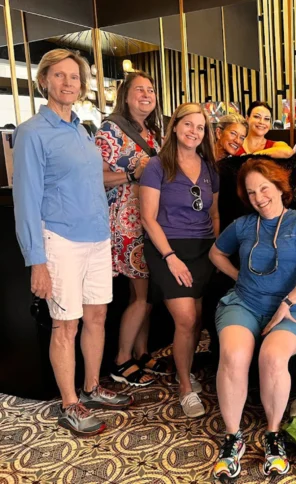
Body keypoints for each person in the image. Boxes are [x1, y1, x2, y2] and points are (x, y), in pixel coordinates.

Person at [12, 49, 132, 437]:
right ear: (44, 80)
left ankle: (92, 386)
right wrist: (37, 260)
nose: (68, 83)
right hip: (59, 238)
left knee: (97, 317)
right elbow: (25, 199)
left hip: (97, 238)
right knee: (66, 325)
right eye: (60, 76)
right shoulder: (32, 131)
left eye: (74, 77)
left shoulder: (82, 129)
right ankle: (69, 403)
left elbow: (93, 182)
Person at [210, 159, 296, 478]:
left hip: (294, 309)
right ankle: (233, 438)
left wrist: (288, 301)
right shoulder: (244, 224)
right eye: (251, 192)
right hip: (244, 303)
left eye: (264, 188)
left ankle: (273, 436)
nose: (259, 197)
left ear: (279, 187)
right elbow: (215, 253)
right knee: (233, 357)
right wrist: (239, 277)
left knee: (273, 358)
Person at [139, 103, 220, 418]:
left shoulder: (210, 167)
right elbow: (148, 218)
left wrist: (215, 250)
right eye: (188, 124)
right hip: (167, 247)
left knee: (196, 319)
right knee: (185, 318)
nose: (194, 132)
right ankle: (185, 386)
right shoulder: (157, 166)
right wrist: (170, 257)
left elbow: (213, 213)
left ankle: (180, 368)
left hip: (202, 249)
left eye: (200, 127)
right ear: (175, 126)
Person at [96, 71, 167, 387]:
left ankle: (141, 350)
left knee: (148, 292)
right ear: (124, 95)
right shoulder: (110, 130)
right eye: (140, 90)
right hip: (126, 222)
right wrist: (131, 175)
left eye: (151, 90)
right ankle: (122, 358)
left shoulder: (151, 132)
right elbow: (94, 177)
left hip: (149, 220)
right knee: (140, 294)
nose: (147, 95)